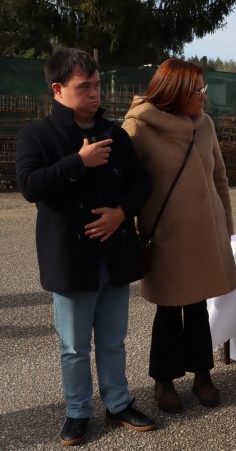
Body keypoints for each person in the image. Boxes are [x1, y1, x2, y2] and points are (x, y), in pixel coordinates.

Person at [15, 48, 156, 446]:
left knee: (113, 339)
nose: (95, 94)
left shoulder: (116, 133)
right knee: (74, 346)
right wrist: (79, 162)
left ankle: (118, 403)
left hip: (113, 254)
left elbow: (141, 183)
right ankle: (78, 411)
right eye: (84, 87)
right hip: (71, 258)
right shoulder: (36, 135)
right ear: (58, 89)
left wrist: (120, 212)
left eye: (96, 85)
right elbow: (29, 185)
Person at [122, 58, 236, 414]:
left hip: (206, 233)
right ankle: (164, 379)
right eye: (199, 90)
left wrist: (226, 225)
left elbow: (219, 176)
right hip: (166, 237)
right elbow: (125, 184)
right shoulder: (137, 128)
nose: (205, 97)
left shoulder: (205, 125)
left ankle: (203, 375)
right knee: (169, 310)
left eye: (204, 89)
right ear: (176, 92)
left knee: (199, 307)